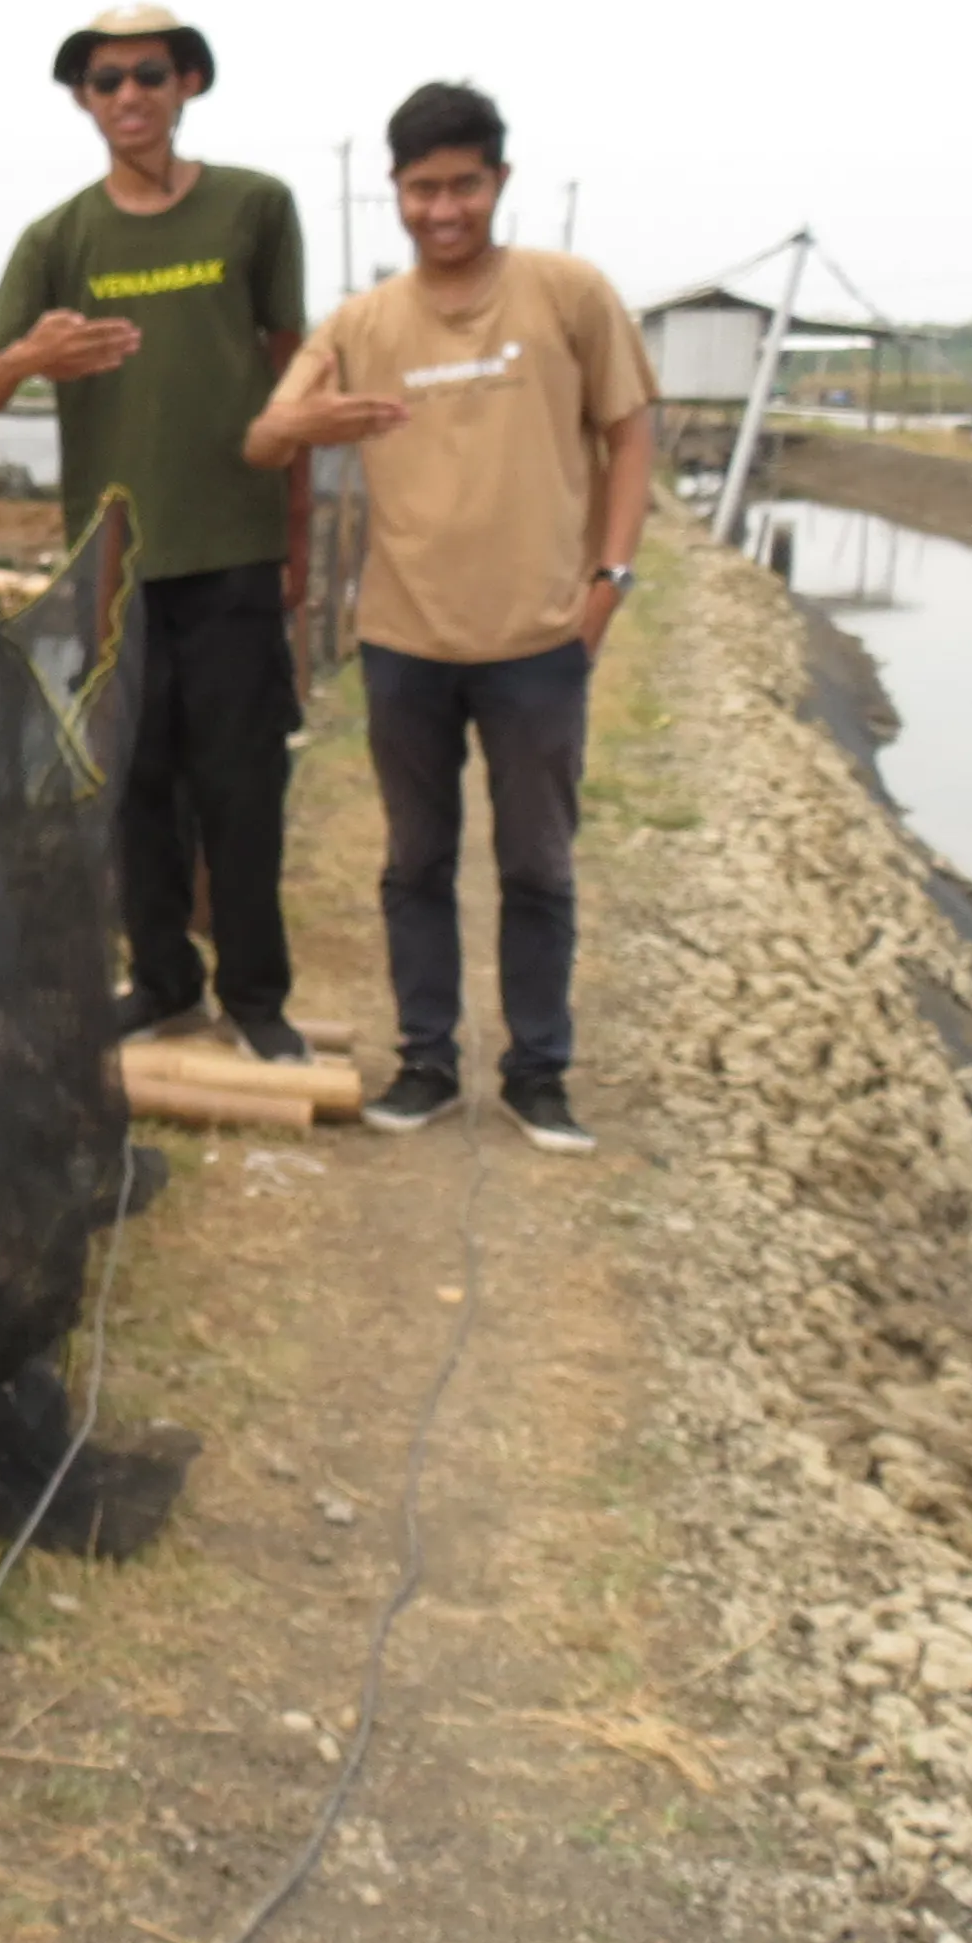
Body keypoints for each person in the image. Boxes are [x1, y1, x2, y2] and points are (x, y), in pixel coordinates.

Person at [246, 79, 656, 1154]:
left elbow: (629, 432)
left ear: (497, 183)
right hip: (403, 641)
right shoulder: (365, 321)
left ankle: (537, 1072)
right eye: (422, 189)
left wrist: (610, 578)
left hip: (538, 642)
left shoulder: (568, 295)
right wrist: (309, 420)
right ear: (395, 191)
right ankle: (425, 1061)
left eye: (463, 186)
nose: (443, 210)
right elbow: (263, 436)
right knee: (413, 863)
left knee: (536, 867)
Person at [0, 4, 314, 1063]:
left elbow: (293, 368)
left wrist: (294, 532)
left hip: (234, 549)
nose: (127, 97)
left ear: (188, 82)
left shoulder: (256, 208)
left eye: (147, 75)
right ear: (82, 100)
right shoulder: (58, 238)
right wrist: (33, 356)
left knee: (241, 785)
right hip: (113, 571)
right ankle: (164, 979)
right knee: (134, 785)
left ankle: (256, 998)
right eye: (103, 81)